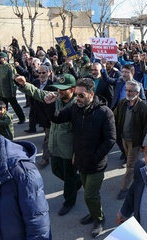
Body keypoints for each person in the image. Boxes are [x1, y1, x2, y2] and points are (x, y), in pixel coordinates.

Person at [44, 78, 116, 237]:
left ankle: (99, 219)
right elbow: (57, 117)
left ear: (91, 94)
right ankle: (93, 212)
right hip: (80, 161)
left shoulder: (105, 112)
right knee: (88, 193)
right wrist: (49, 104)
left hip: (96, 163)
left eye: (81, 95)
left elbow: (110, 139)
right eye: (76, 95)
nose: (77, 99)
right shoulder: (75, 109)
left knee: (90, 194)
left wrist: (95, 157)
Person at [16, 73, 82, 216]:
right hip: (55, 145)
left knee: (69, 176)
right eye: (58, 88)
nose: (59, 91)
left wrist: (77, 153)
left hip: (69, 149)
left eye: (63, 89)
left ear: (73, 89)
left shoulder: (77, 106)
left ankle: (69, 201)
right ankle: (77, 182)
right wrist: (23, 84)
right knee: (56, 170)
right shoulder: (55, 98)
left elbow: (81, 133)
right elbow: (38, 92)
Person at [114, 80, 147, 200]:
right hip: (124, 138)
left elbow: (146, 128)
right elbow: (115, 116)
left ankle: (125, 188)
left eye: (131, 91)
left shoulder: (143, 108)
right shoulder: (123, 103)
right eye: (127, 90)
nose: (128, 93)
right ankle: (140, 172)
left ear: (138, 92)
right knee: (132, 162)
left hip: (135, 142)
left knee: (130, 166)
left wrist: (144, 145)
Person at [0, 52, 26, 124]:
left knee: (15, 106)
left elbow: (12, 81)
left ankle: (22, 118)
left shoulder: (9, 68)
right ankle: (5, 121)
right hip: (1, 92)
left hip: (9, 92)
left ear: (4, 59)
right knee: (3, 108)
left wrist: (13, 92)